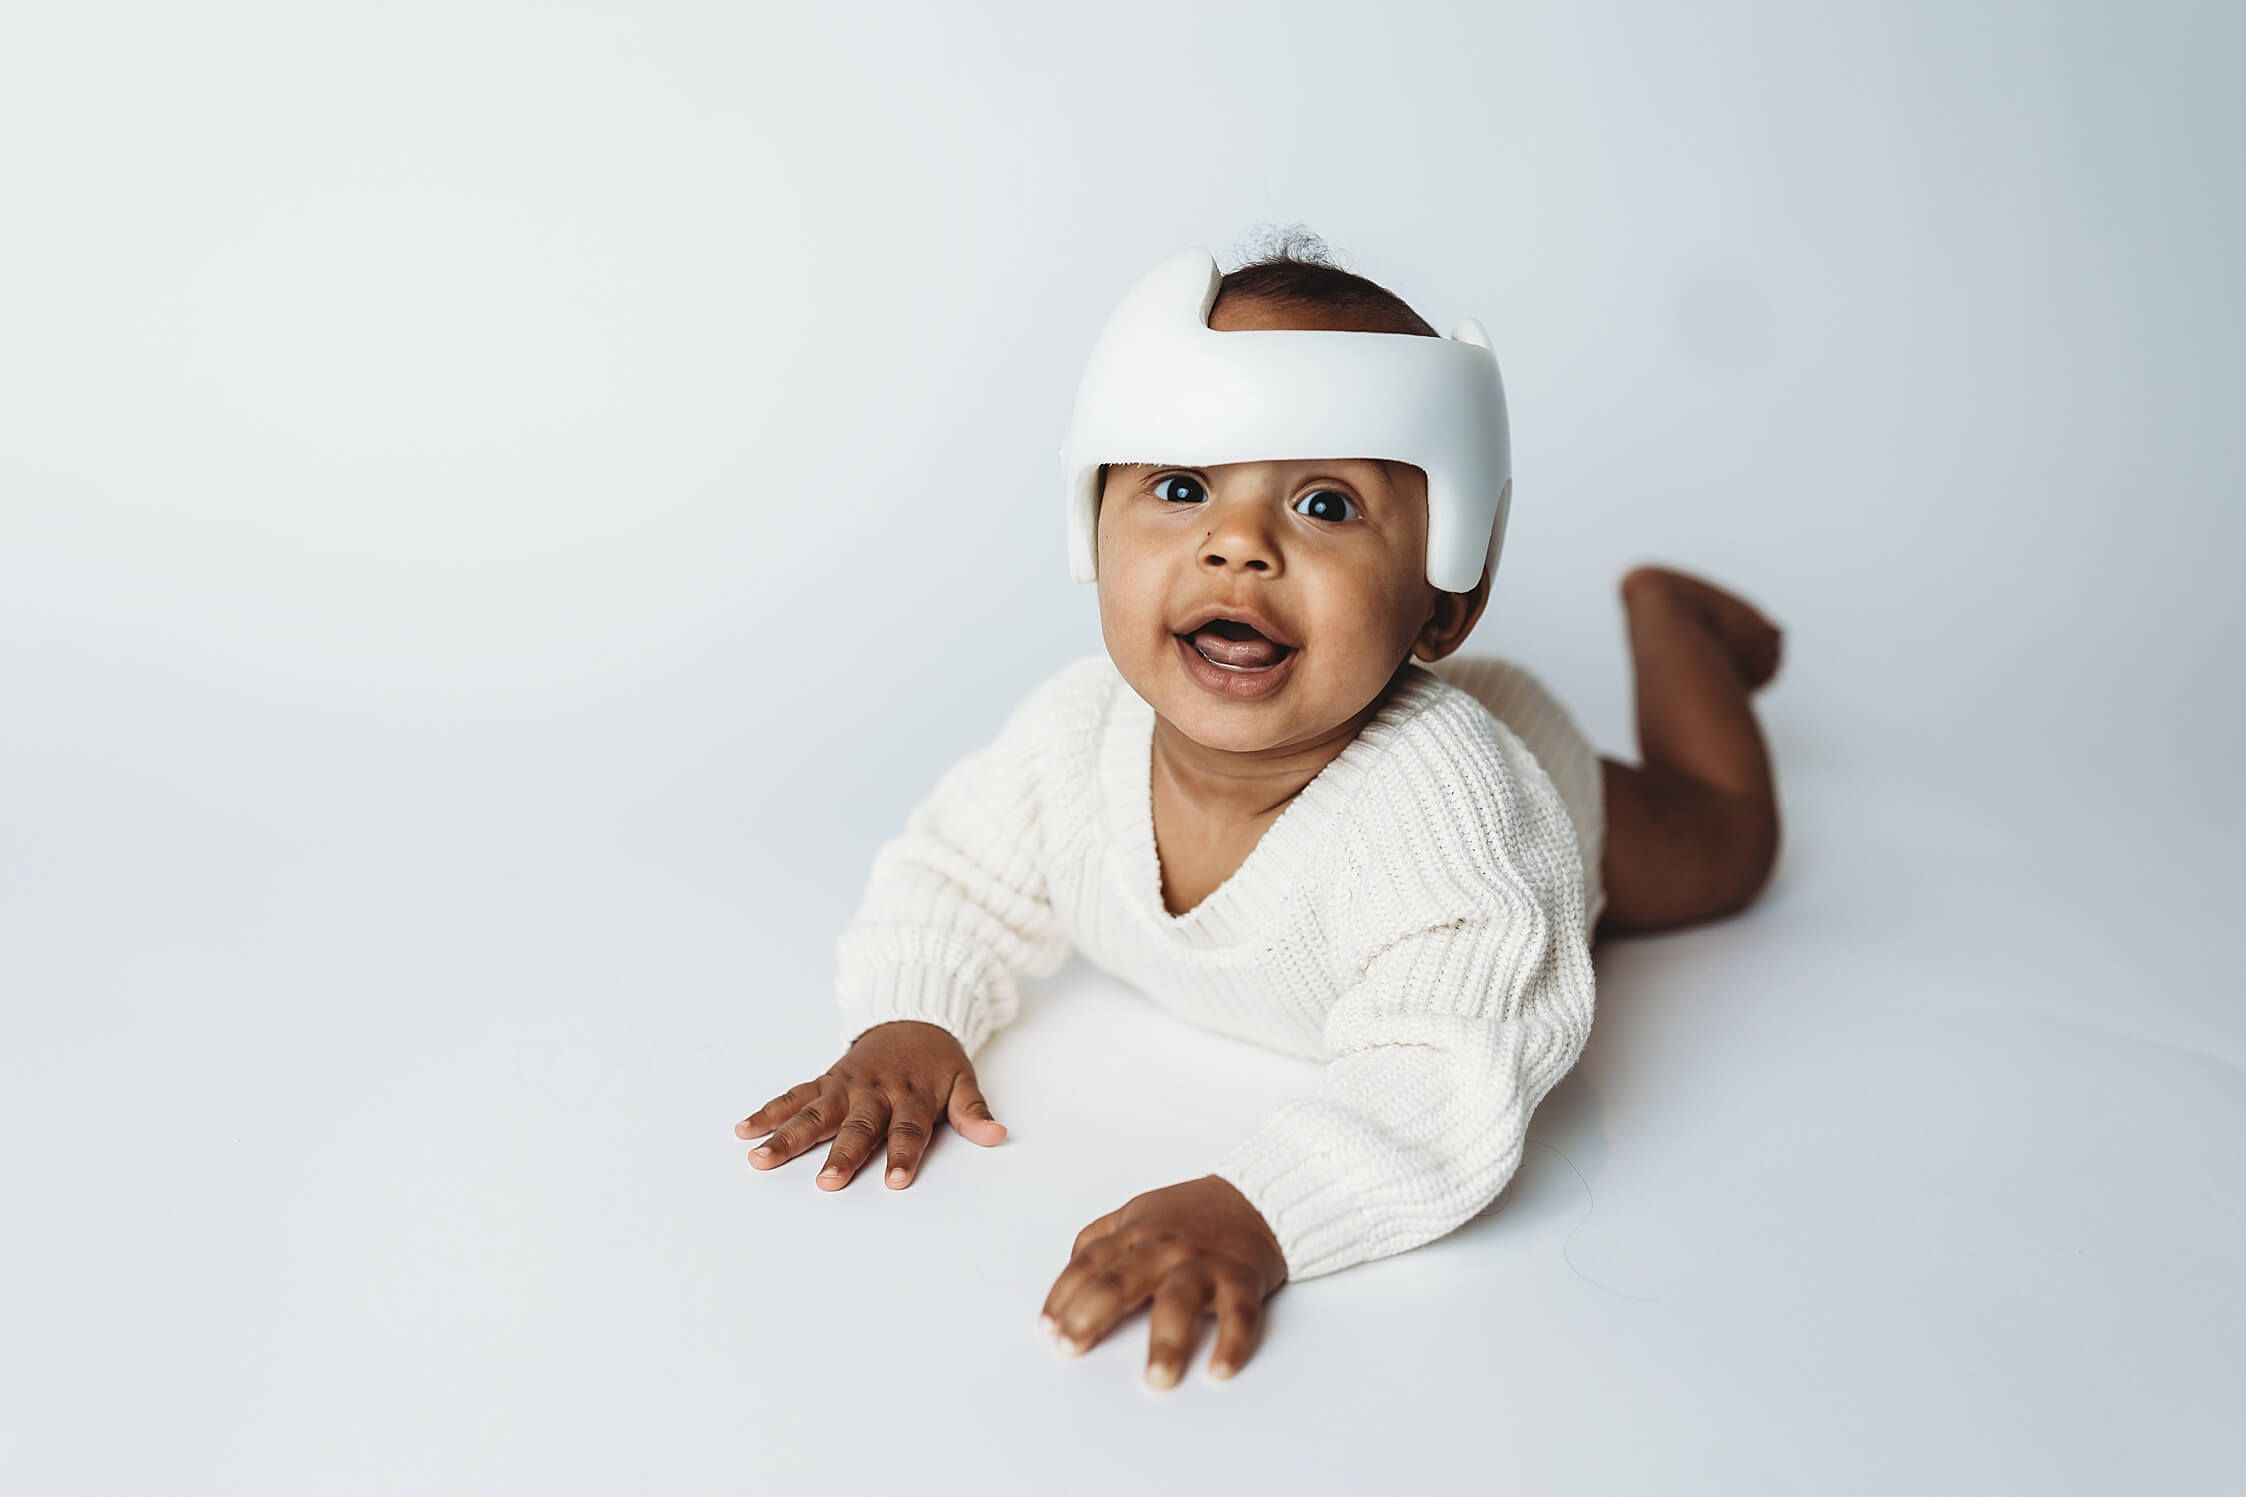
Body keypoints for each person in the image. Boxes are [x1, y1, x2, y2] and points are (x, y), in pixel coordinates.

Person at [734, 236, 1783, 1391]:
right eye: (1179, 488)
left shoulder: (1451, 820)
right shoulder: (1072, 735)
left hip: (1553, 801)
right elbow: (952, 873)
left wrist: (1261, 1205)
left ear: (1445, 601)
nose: (1237, 544)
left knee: (1726, 841)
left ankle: (1671, 621)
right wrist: (909, 1021)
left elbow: (1444, 1070)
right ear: (1091, 521)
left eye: (1325, 503)